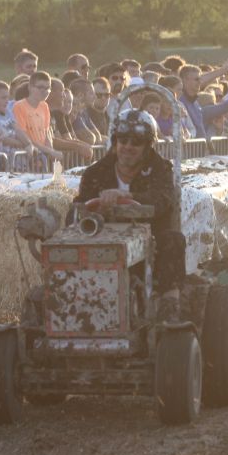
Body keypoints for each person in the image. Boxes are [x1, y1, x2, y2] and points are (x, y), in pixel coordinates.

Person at [72, 109, 186, 324]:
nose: (128, 147)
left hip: (150, 241)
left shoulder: (160, 169)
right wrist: (94, 209)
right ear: (115, 142)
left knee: (173, 240)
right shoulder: (95, 173)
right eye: (123, 140)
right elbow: (78, 206)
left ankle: (169, 302)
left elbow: (163, 200)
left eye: (136, 142)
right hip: (102, 238)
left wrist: (127, 196)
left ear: (147, 146)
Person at [14, 71, 63, 165]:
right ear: (30, 87)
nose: (44, 91)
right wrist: (50, 151)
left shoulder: (45, 106)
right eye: (40, 87)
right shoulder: (19, 106)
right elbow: (23, 136)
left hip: (43, 158)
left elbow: (46, 133)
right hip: (27, 159)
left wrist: (51, 152)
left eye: (48, 88)